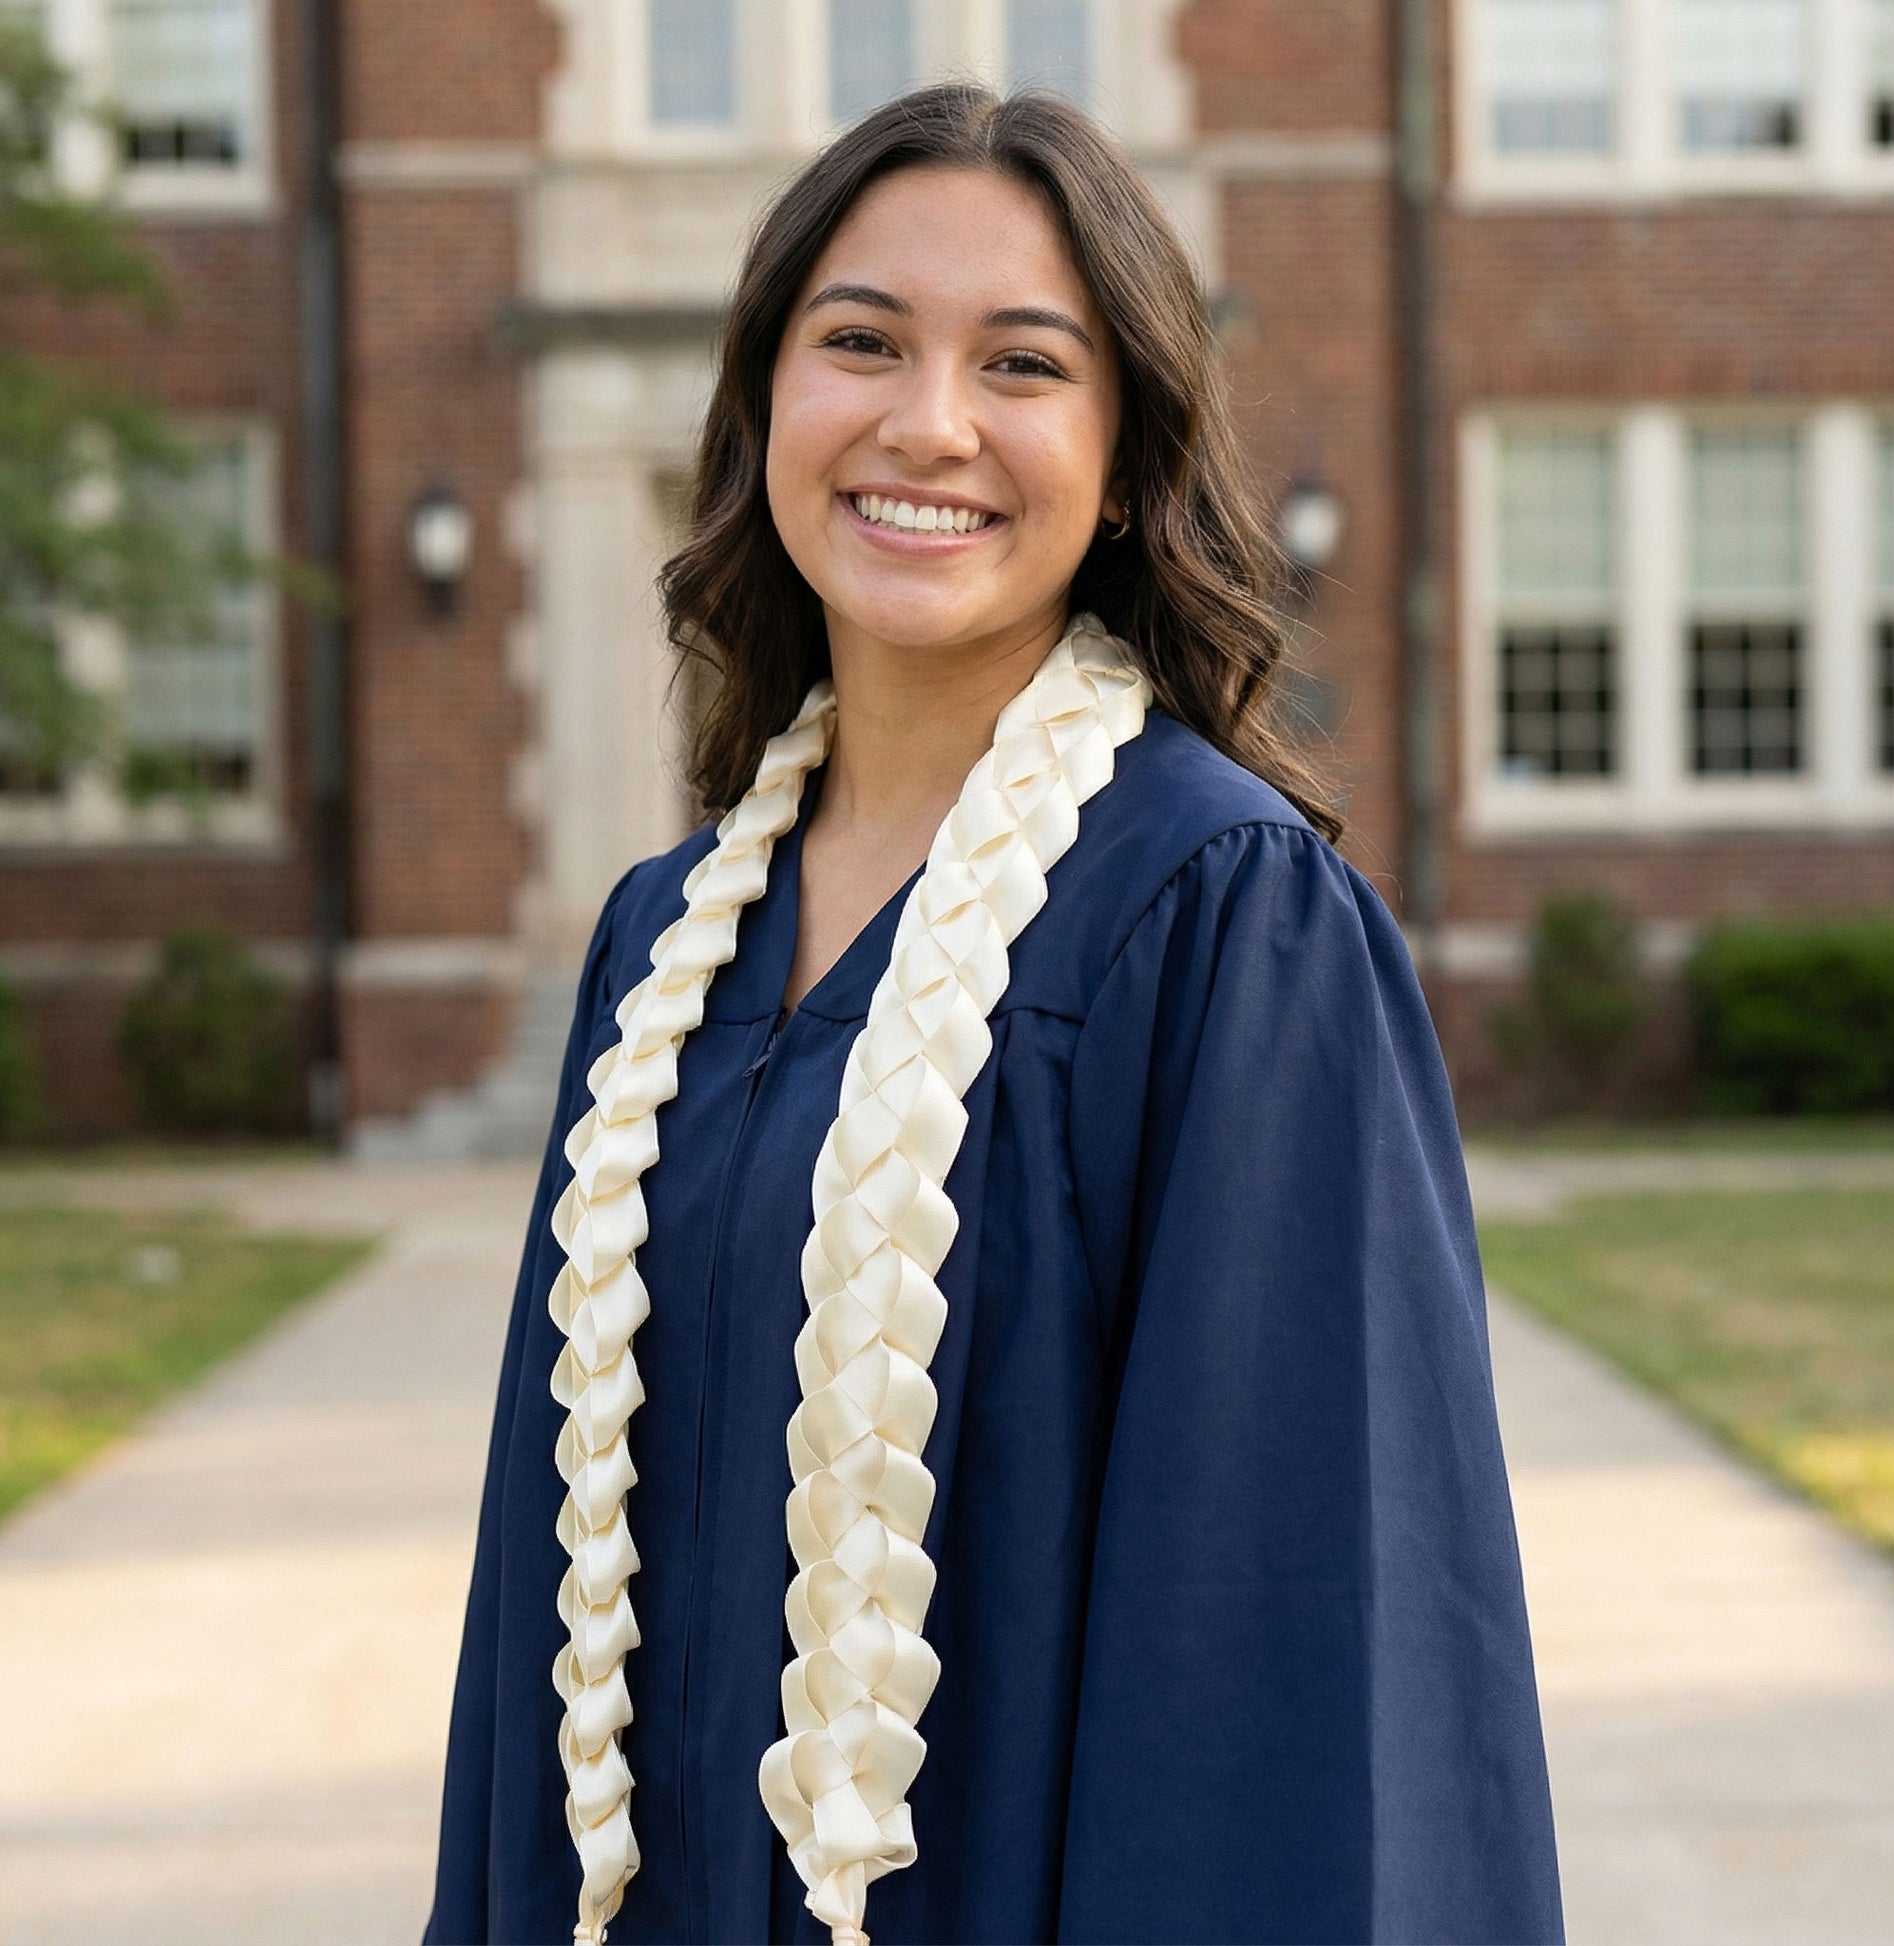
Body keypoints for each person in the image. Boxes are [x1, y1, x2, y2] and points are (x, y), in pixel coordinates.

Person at [424, 83, 1562, 1946]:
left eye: (1021, 363)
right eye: (858, 340)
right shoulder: (664, 948)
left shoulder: (1222, 921)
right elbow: (531, 1628)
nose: (925, 422)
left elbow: (1290, 1652)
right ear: (768, 407)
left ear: (1121, 459)